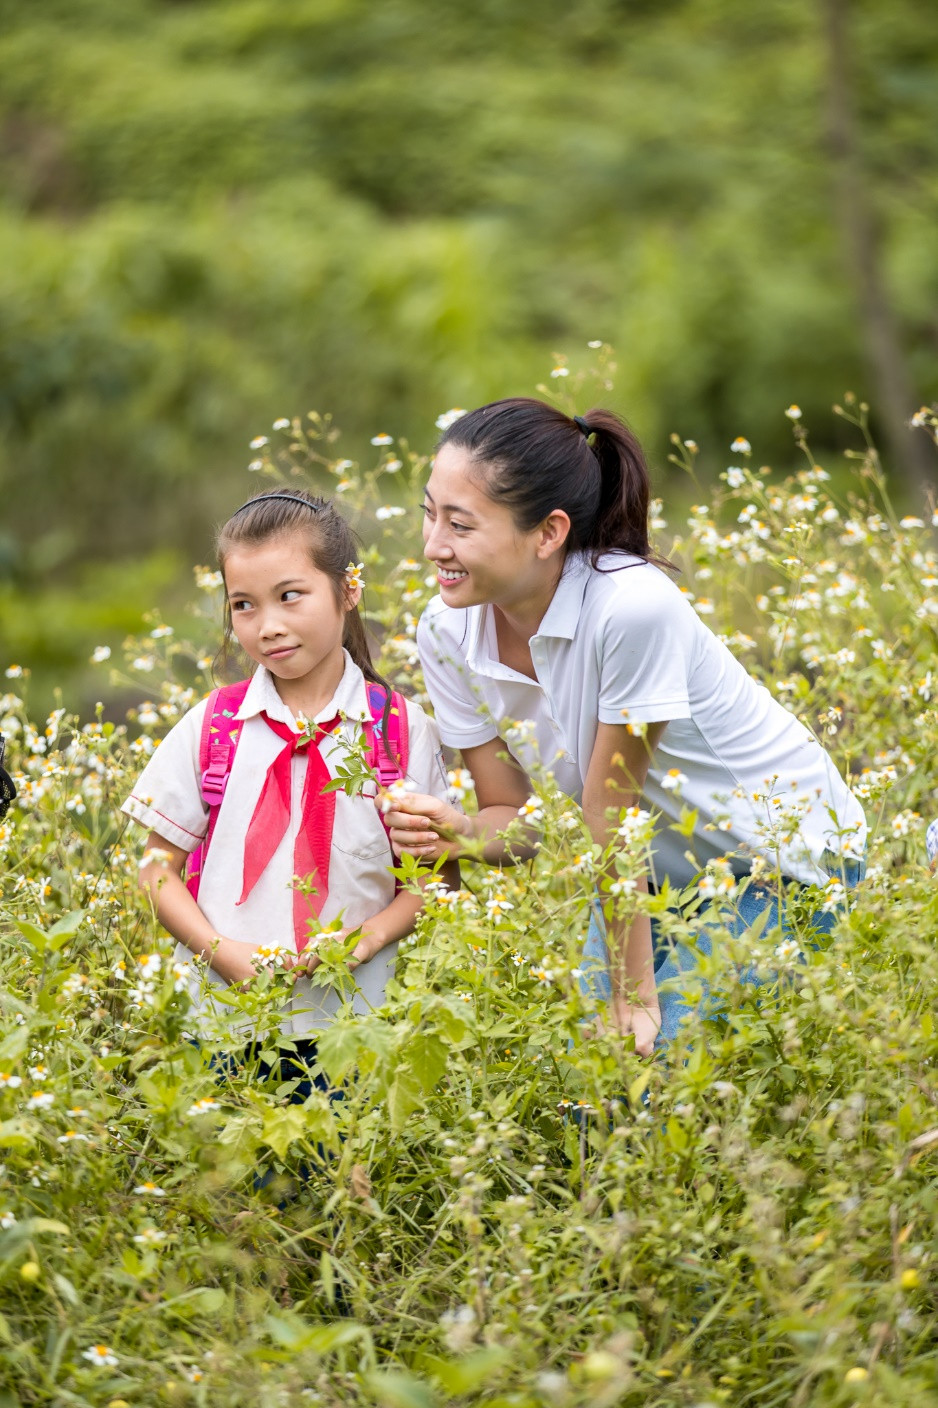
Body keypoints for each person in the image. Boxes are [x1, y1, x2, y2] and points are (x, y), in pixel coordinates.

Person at [382, 398, 866, 1055]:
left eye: (460, 525)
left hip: (781, 866)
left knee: (654, 1072)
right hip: (656, 877)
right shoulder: (445, 631)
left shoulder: (632, 609)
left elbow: (611, 812)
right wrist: (462, 832)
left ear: (549, 533)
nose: (433, 545)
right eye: (429, 514)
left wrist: (630, 999)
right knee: (587, 1088)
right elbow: (513, 817)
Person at [123, 489, 456, 1083]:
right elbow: (155, 871)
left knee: (348, 1172)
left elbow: (437, 881)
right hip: (223, 1023)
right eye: (244, 605)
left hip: (358, 1025)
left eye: (290, 596)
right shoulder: (213, 726)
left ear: (349, 589)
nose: (268, 626)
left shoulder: (399, 731)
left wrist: (367, 938)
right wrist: (224, 954)